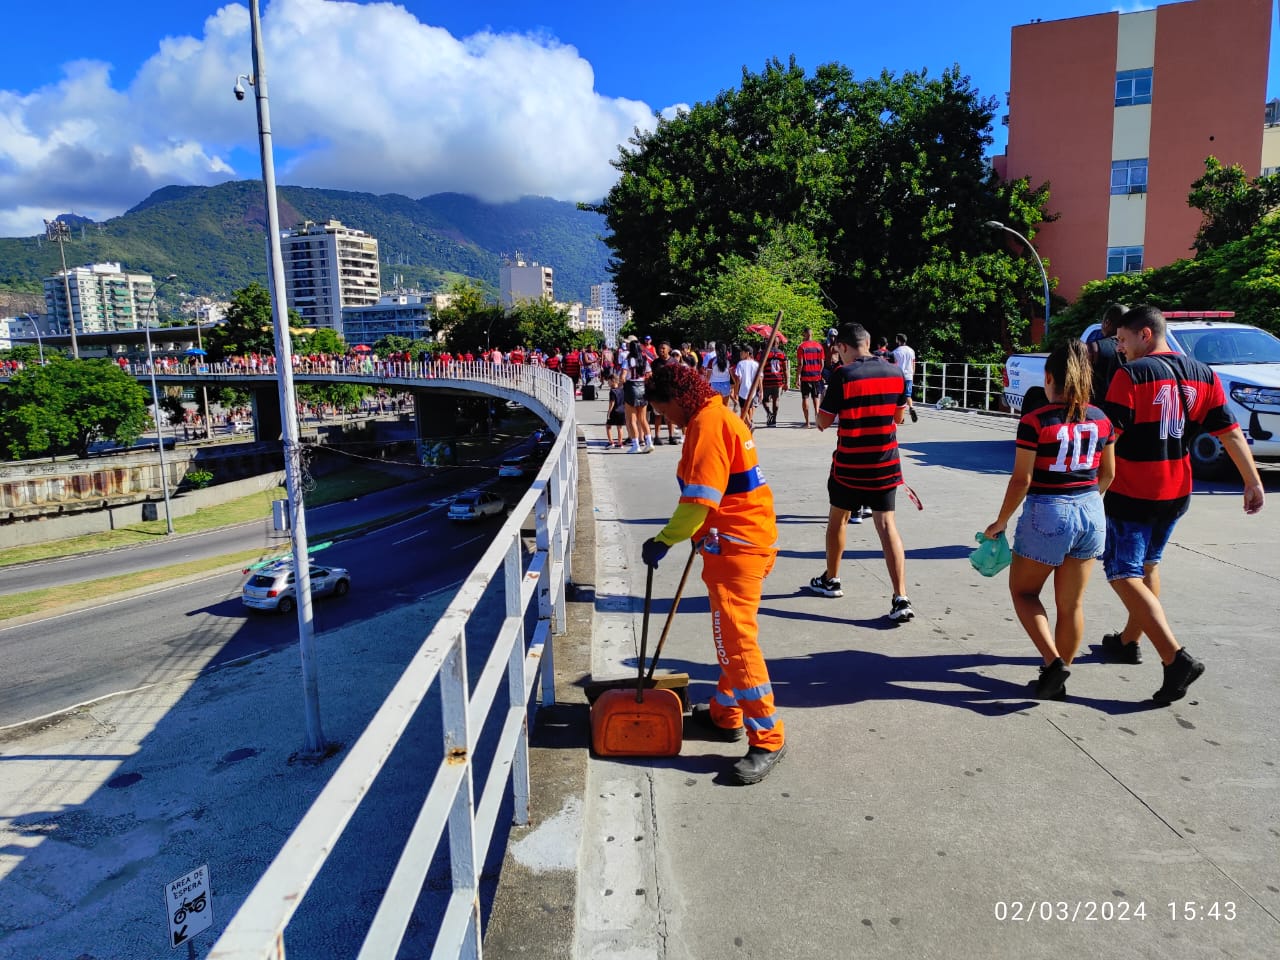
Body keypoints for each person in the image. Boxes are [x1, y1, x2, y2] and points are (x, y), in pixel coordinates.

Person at [1097, 305, 1265, 702]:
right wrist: (1252, 480)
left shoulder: (1131, 375)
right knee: (1148, 566)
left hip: (1134, 490)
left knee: (1122, 573)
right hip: (1177, 490)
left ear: (1145, 335)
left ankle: (1175, 659)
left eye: (1122, 339)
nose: (1119, 348)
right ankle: (1127, 641)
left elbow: (1109, 437)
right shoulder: (1204, 373)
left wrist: (1092, 486)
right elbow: (1230, 431)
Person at [641, 361, 787, 784]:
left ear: (680, 398)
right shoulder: (722, 416)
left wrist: (664, 540)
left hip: (736, 548)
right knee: (732, 636)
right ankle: (726, 713)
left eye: (663, 409)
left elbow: (699, 500)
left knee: (736, 644)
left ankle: (768, 737)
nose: (663, 418)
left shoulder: (707, 424)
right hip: (750, 540)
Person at [983, 341, 1116, 699]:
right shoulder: (1102, 419)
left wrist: (1000, 522)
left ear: (1049, 378)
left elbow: (1022, 480)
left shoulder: (1035, 421)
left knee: (1024, 592)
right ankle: (1056, 679)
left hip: (1048, 510)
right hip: (1091, 509)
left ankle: (1052, 661)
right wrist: (1086, 502)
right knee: (1070, 604)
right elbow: (1108, 474)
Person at [809, 323, 914, 623]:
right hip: (885, 464)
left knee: (838, 520)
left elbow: (822, 422)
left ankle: (832, 579)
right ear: (867, 342)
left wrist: (824, 396)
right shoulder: (894, 371)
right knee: (886, 525)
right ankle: (901, 596)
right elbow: (899, 416)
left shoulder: (843, 376)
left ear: (842, 347)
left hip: (850, 466)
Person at [1087, 302, 1127, 406]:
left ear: (1107, 323)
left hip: (1101, 410)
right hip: (1128, 408)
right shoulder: (1139, 347)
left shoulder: (1094, 348)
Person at [623, 339, 653, 453]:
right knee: (643, 418)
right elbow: (649, 375)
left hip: (631, 387)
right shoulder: (644, 360)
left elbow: (623, 376)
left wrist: (621, 383)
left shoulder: (628, 361)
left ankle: (636, 445)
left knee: (631, 419)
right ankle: (649, 442)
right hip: (642, 387)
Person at [795, 327, 826, 428]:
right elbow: (822, 363)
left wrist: (797, 378)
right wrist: (818, 373)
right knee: (816, 398)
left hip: (805, 377)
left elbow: (800, 364)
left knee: (805, 398)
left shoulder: (801, 347)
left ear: (805, 334)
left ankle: (807, 423)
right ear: (811, 334)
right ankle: (817, 420)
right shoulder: (819, 346)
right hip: (816, 376)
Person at [891, 333, 918, 423]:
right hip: (909, 376)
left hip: (899, 376)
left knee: (898, 397)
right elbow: (913, 364)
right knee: (907, 395)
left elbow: (893, 365)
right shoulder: (911, 351)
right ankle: (911, 407)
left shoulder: (895, 352)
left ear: (898, 340)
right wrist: (912, 374)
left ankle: (900, 418)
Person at [732, 344, 760, 429]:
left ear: (747, 353)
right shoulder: (755, 364)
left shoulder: (741, 364)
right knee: (750, 407)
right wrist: (760, 390)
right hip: (753, 390)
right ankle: (749, 422)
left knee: (743, 409)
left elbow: (738, 379)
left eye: (742, 352)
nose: (741, 353)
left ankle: (748, 424)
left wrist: (736, 391)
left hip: (743, 390)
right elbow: (759, 378)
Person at [760, 340, 788, 427]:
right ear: (777, 343)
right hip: (778, 380)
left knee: (764, 400)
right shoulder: (782, 354)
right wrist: (786, 382)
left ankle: (769, 413)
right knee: (776, 400)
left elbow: (760, 367)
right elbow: (785, 369)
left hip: (766, 380)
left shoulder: (764, 353)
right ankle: (774, 419)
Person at [605, 374, 626, 448]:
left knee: (608, 426)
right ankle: (620, 443)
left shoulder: (612, 391)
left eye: (609, 382)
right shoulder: (622, 390)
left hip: (614, 411)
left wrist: (609, 412)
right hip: (622, 411)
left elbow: (612, 403)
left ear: (613, 381)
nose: (608, 383)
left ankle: (611, 442)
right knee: (619, 427)